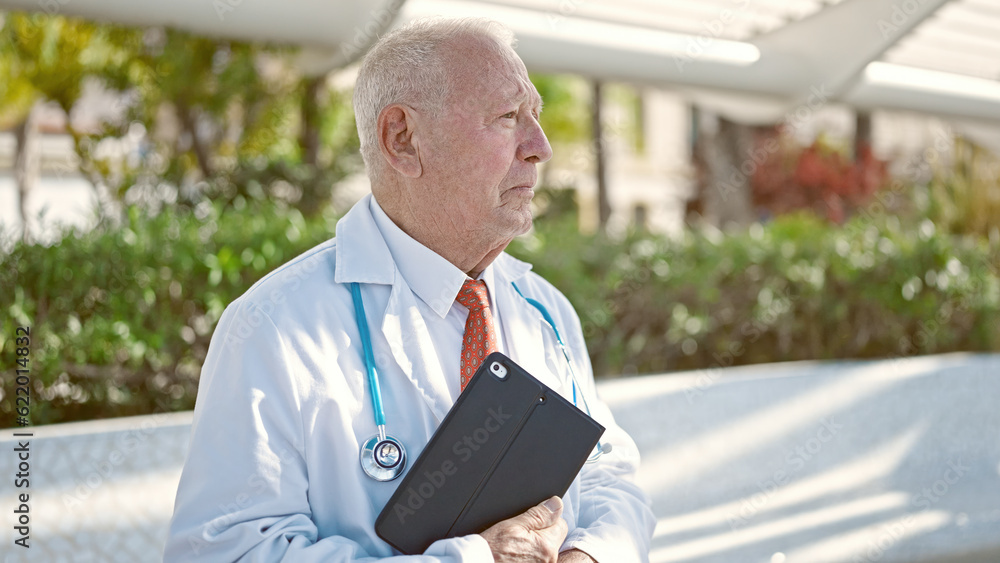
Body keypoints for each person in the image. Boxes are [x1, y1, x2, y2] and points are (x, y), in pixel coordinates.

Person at [164, 17, 655, 563]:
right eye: (508, 117)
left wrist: (588, 554)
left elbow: (610, 475)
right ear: (402, 139)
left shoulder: (546, 311)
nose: (539, 147)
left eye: (534, 117)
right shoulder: (275, 327)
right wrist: (474, 559)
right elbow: (225, 552)